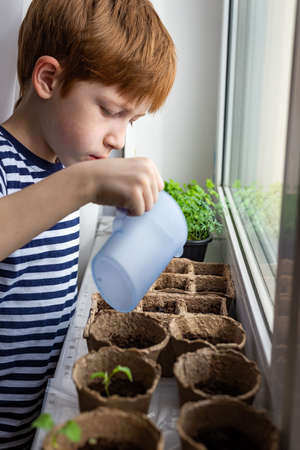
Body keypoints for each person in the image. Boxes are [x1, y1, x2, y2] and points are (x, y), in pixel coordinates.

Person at [0, 0, 176, 448]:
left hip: (34, 424)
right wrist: (83, 184)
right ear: (48, 79)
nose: (119, 138)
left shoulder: (64, 166)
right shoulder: (13, 166)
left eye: (131, 120)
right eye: (109, 109)